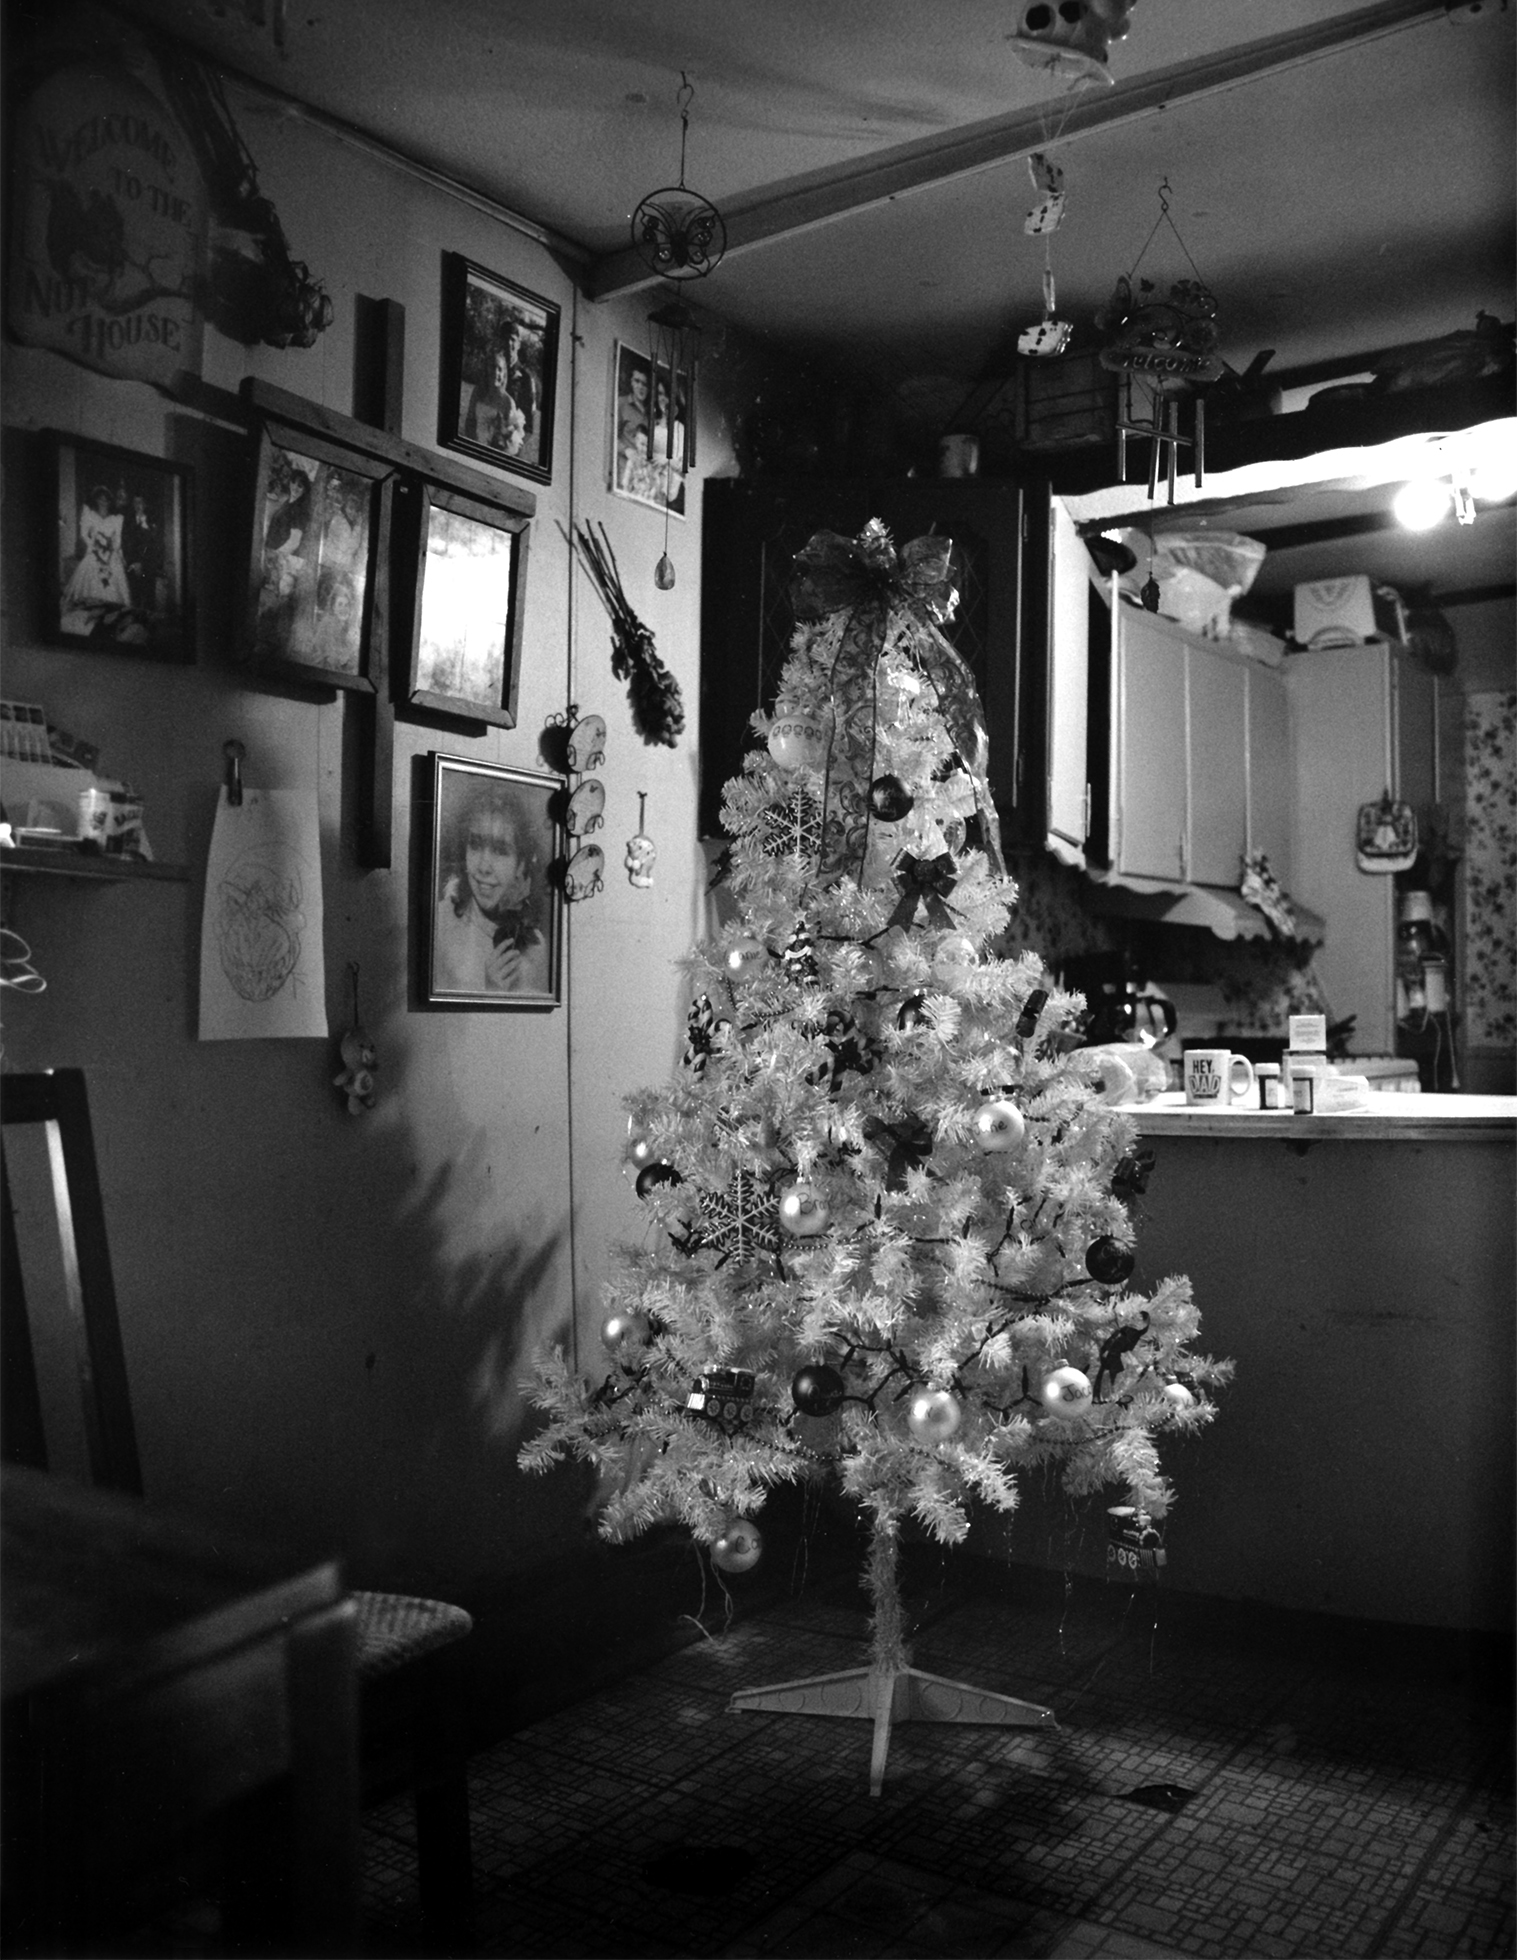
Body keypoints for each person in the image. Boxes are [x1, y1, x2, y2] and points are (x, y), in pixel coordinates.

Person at [433, 780, 550, 994]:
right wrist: (490, 991)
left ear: (521, 864)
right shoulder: (440, 923)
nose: (483, 867)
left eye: (500, 850)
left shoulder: (536, 948)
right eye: (475, 845)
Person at [62, 483, 130, 616]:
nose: (104, 501)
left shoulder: (116, 519)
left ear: (110, 501)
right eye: (101, 498)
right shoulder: (90, 515)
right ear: (96, 500)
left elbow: (118, 540)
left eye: (106, 499)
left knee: (114, 593)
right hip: (94, 554)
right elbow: (83, 533)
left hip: (111, 556)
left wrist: (114, 550)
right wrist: (94, 545)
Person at [463, 343, 525, 455]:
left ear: (504, 374)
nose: (496, 373)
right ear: (486, 369)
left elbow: (511, 439)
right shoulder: (478, 392)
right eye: (492, 367)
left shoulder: (507, 401)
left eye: (500, 369)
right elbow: (470, 421)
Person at [121, 492, 162, 614]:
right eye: (135, 502)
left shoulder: (152, 520)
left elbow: (156, 545)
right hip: (134, 566)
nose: (138, 505)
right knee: (135, 598)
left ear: (145, 504)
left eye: (140, 502)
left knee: (150, 598)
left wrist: (145, 563)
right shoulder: (127, 522)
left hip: (149, 565)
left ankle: (149, 627)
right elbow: (125, 543)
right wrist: (134, 562)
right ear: (132, 505)